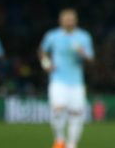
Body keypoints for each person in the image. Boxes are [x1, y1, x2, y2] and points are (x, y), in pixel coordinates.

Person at [39, 8, 94, 148]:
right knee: (57, 110)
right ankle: (59, 139)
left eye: (71, 19)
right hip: (58, 80)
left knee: (76, 114)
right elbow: (42, 51)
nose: (69, 22)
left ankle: (72, 144)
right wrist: (46, 64)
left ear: (76, 21)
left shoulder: (84, 37)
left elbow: (91, 59)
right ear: (60, 21)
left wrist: (83, 53)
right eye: (66, 19)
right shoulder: (52, 36)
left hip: (76, 82)